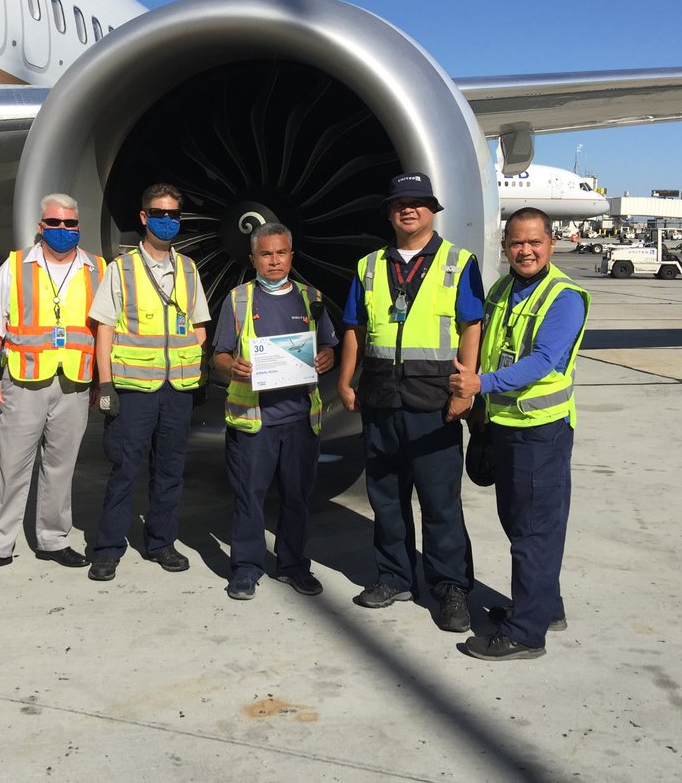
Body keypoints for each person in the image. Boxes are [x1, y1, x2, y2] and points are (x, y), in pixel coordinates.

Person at [336, 172, 484, 632]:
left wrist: (464, 388)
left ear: (432, 211)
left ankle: (450, 588)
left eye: (419, 202)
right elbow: (354, 329)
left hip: (433, 401)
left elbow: (471, 326)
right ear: (390, 212)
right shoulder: (368, 266)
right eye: (401, 202)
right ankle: (395, 577)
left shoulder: (458, 262)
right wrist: (346, 381)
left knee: (440, 502)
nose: (409, 209)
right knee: (385, 499)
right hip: (381, 397)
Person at [449, 207, 590, 660]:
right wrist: (481, 412)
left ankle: (525, 634)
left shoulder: (563, 297)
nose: (525, 251)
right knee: (520, 525)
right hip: (505, 426)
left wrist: (479, 386)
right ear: (505, 245)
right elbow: (490, 348)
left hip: (539, 431)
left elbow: (542, 360)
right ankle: (544, 608)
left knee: (533, 532)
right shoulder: (503, 288)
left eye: (534, 242)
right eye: (516, 243)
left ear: (551, 243)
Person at [0, 193, 106, 577]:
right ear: (41, 227)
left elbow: (103, 330)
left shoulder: (96, 268)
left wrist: (101, 383)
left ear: (78, 226)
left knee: (61, 466)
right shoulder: (15, 266)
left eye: (69, 224)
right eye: (53, 223)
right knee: (11, 465)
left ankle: (54, 539)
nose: (62, 230)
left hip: (74, 382)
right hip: (24, 382)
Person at [86, 183, 210, 582]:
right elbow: (103, 329)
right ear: (144, 218)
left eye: (174, 215)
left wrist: (191, 362)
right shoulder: (120, 270)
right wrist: (105, 386)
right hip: (134, 389)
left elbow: (200, 326)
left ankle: (161, 543)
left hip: (176, 390)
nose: (167, 221)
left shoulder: (188, 269)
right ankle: (108, 547)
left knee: (171, 470)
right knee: (124, 468)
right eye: (159, 214)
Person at [212, 223, 338, 600]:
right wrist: (230, 365)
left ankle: (293, 564)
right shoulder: (237, 300)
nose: (274, 261)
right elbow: (218, 354)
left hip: (300, 418)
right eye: (265, 254)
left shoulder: (311, 298)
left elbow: (330, 345)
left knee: (297, 496)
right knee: (249, 495)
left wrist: (328, 356)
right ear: (253, 259)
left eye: (281, 253)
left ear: (291, 256)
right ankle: (247, 568)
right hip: (255, 421)